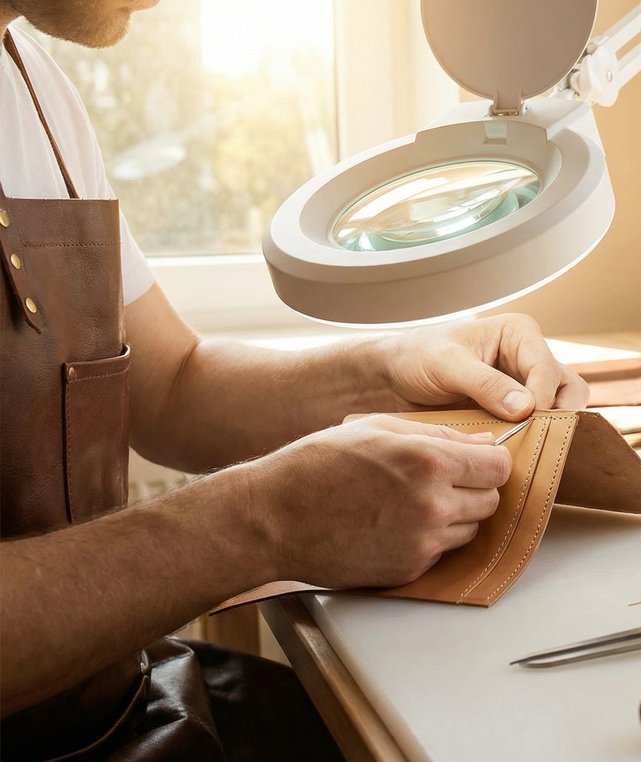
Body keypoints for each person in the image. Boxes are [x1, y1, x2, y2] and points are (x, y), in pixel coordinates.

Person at [0, 1, 589, 758]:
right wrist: (261, 522)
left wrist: (391, 368)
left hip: (115, 704)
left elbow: (172, 388)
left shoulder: (35, 87)